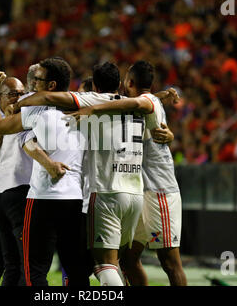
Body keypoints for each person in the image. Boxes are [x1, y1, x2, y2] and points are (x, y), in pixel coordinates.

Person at [13, 61, 146, 286]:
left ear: (94, 86)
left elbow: (47, 99)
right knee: (120, 263)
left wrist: (17, 102)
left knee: (104, 264)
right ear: (121, 84)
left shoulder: (91, 102)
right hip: (135, 192)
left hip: (104, 193)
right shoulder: (138, 104)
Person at [68, 60, 186, 286]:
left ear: (129, 82)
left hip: (160, 190)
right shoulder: (141, 102)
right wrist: (163, 96)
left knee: (170, 262)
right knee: (129, 260)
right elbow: (129, 102)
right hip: (140, 190)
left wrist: (92, 107)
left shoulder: (145, 101)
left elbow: (139, 102)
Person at [0, 57, 91, 286]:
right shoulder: (86, 106)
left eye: (38, 79)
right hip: (74, 198)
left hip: (42, 197)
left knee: (34, 271)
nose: (33, 84)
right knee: (76, 270)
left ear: (51, 86)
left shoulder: (36, 110)